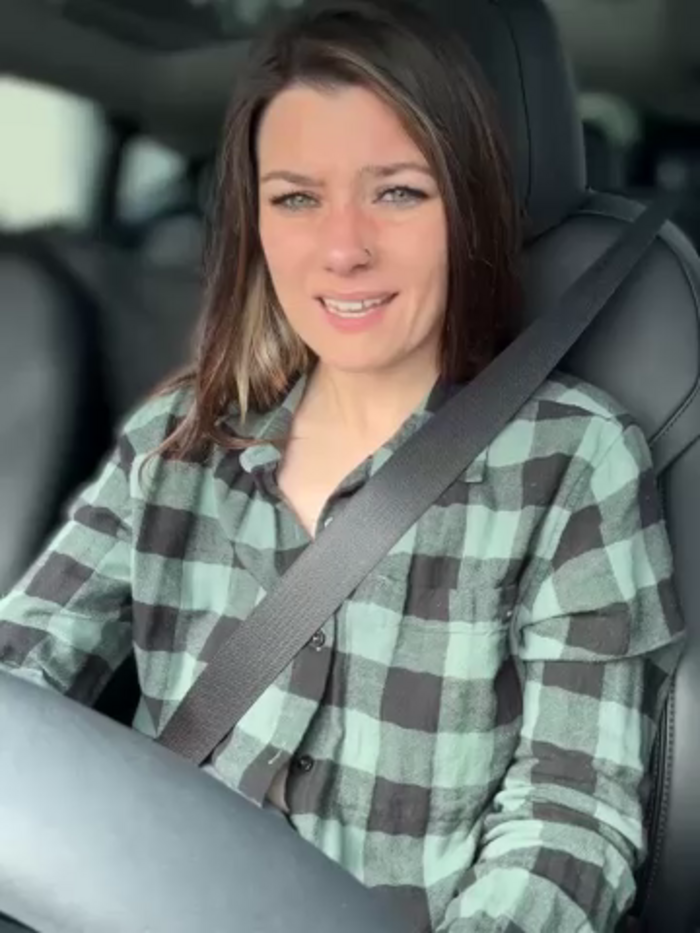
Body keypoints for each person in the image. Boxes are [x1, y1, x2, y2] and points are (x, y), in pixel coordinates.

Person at [0, 0, 685, 930]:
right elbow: (21, 679)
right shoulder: (179, 438)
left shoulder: (573, 460)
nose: (343, 249)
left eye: (396, 192)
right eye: (297, 198)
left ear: (468, 208)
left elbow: (571, 818)